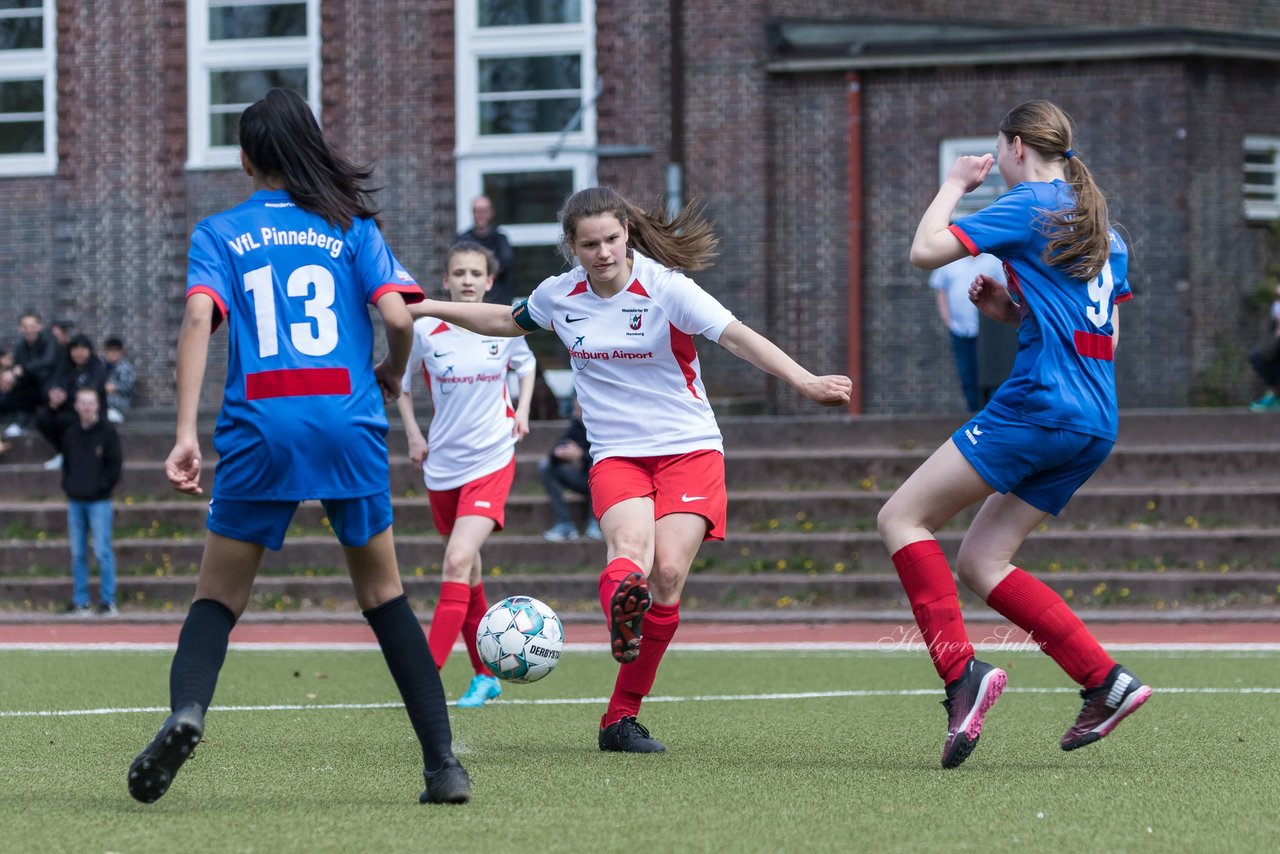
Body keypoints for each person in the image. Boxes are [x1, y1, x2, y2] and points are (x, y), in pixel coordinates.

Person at [408, 185, 852, 753]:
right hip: (616, 452)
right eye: (589, 244)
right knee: (629, 556)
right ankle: (624, 616)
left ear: (626, 234)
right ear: (571, 247)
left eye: (612, 239)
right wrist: (424, 306)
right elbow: (501, 319)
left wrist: (805, 380)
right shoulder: (558, 295)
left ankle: (620, 717)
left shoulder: (668, 290)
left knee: (667, 575)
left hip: (689, 448)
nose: (604, 253)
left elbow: (738, 338)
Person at [126, 87, 470, 807]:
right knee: (384, 594)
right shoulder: (351, 226)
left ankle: (187, 711)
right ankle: (443, 766)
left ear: (248, 160)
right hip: (348, 423)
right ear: (307, 146)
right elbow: (396, 315)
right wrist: (391, 371)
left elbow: (198, 319)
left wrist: (186, 432)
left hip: (260, 425)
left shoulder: (221, 231)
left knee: (217, 596)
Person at [879, 100, 1152, 770]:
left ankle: (960, 677)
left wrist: (954, 186)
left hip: (1038, 407)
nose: (995, 160)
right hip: (1093, 419)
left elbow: (923, 253)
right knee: (981, 561)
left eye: (996, 151)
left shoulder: (1028, 204)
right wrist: (1014, 314)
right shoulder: (1102, 228)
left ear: (1018, 146)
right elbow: (1101, 336)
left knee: (902, 518)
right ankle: (1104, 681)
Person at [396, 239, 535, 709]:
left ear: (489, 281)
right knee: (469, 574)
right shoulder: (426, 328)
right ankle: (485, 674)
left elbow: (527, 364)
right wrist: (414, 435)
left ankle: (425, 681)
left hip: (492, 457)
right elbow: (400, 383)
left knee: (456, 560)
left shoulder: (502, 323)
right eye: (460, 273)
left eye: (477, 273)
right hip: (441, 466)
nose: (468, 280)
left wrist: (523, 411)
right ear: (447, 281)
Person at [60, 386, 122, 616]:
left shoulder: (107, 432)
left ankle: (108, 601)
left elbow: (115, 466)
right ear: (76, 406)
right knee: (77, 553)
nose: (86, 407)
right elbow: (66, 464)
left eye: (90, 402)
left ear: (97, 405)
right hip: (75, 500)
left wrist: (101, 487)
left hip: (99, 501)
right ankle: (81, 602)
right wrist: (69, 486)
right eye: (82, 402)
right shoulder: (71, 433)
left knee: (102, 551)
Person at [930, 254, 1006, 412]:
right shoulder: (949, 260)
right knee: (967, 375)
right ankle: (973, 415)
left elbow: (1005, 290)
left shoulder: (993, 260)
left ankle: (989, 416)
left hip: (989, 332)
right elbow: (941, 289)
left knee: (991, 376)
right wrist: (947, 319)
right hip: (960, 329)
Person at [36, 333, 109, 470]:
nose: (79, 353)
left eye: (83, 349)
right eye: (75, 349)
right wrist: (52, 395)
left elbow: (92, 390)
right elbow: (51, 383)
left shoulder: (96, 367)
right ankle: (62, 452)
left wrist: (66, 396)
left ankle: (75, 455)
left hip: (87, 410)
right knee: (43, 418)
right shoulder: (64, 366)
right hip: (63, 407)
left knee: (65, 420)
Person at [540, 395, 600, 541]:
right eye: (575, 409)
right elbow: (555, 451)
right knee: (545, 467)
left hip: (601, 482)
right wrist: (559, 453)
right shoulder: (575, 427)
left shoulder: (600, 428)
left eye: (578, 409)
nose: (575, 413)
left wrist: (581, 455)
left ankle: (597, 524)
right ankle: (564, 523)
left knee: (596, 466)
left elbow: (604, 456)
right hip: (582, 480)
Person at [2, 312, 59, 438]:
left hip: (51, 384)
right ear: (20, 328)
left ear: (40, 326)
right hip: (31, 386)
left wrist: (21, 370)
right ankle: (18, 424)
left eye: (32, 326)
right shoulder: (20, 347)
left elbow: (48, 361)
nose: (29, 330)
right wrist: (11, 379)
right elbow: (18, 370)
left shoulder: (50, 339)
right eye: (25, 327)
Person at [458, 195, 516, 306]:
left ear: (491, 213)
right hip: (470, 301)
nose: (481, 215)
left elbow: (505, 264)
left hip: (498, 300)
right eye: (477, 211)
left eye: (484, 211)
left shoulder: (500, 239)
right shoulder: (463, 240)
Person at [1247, 283, 1280, 412]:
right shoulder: (1273, 324)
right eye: (1277, 298)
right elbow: (1266, 353)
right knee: (1257, 357)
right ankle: (1276, 396)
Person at [103, 336, 137, 423]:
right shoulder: (100, 365)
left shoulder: (126, 367)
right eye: (110, 350)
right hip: (102, 403)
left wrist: (115, 387)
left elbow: (129, 386)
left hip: (120, 403)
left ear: (121, 352)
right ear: (106, 352)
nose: (113, 353)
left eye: (116, 350)